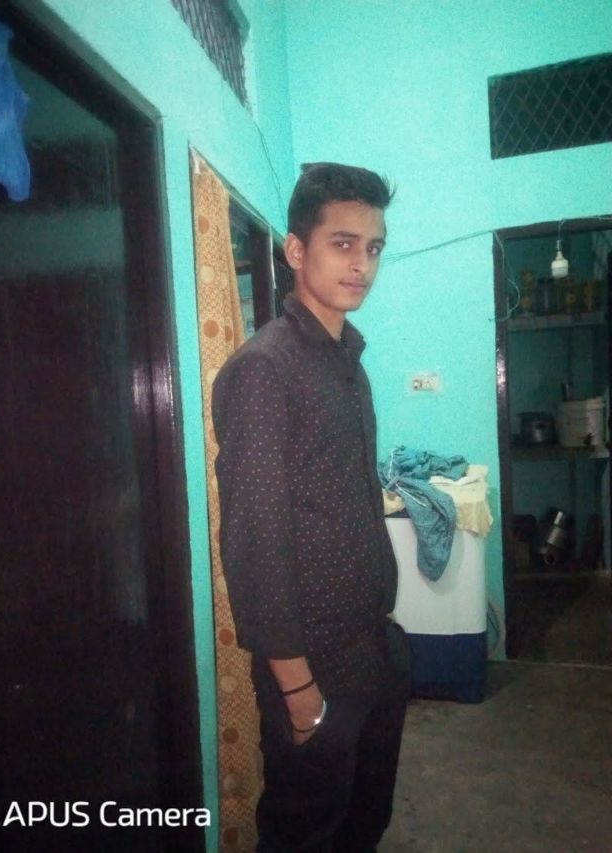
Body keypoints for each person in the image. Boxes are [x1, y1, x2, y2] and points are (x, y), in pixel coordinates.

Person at [212, 162, 411, 852]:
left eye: (374, 247)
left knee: (364, 823)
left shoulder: (347, 362)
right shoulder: (264, 370)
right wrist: (298, 691)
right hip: (314, 667)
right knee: (304, 833)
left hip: (375, 646)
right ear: (296, 251)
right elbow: (254, 543)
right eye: (343, 243)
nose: (362, 265)